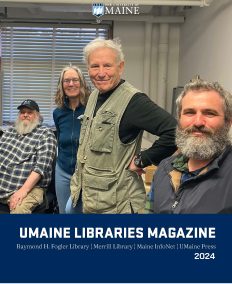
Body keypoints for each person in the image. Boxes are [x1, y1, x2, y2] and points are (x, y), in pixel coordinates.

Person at [70, 38, 177, 214]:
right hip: (91, 198)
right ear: (88, 69)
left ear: (120, 67)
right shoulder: (94, 96)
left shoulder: (134, 101)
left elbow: (175, 131)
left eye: (108, 66)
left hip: (117, 205)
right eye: (95, 66)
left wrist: (142, 160)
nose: (101, 72)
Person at [150, 78, 232, 213]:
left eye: (209, 113)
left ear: (228, 122)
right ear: (179, 118)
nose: (198, 122)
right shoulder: (164, 170)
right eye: (190, 113)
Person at [0, 99, 57, 214]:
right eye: (22, 112)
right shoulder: (9, 132)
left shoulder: (45, 134)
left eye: (29, 112)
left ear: (37, 116)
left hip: (30, 188)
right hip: (4, 184)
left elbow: (41, 168)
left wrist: (22, 191)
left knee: (18, 212)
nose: (25, 115)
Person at [53, 65, 90, 213]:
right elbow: (61, 140)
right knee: (64, 213)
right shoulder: (58, 113)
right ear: (62, 85)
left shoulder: (92, 109)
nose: (71, 84)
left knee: (76, 212)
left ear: (81, 83)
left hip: (85, 172)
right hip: (62, 170)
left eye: (75, 80)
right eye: (66, 80)